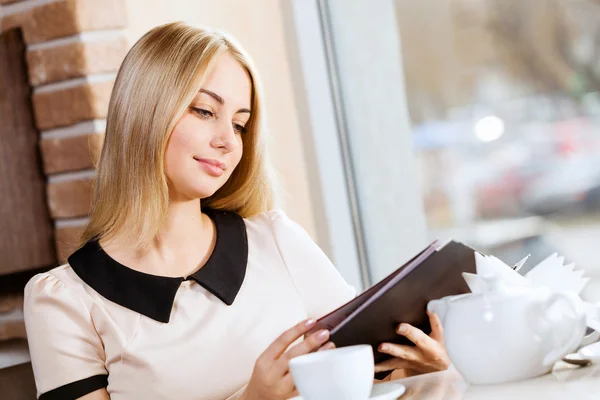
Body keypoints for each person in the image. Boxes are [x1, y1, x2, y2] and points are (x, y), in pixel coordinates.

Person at [23, 22, 449, 400]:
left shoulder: (277, 240)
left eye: (240, 124)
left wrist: (423, 372)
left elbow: (369, 374)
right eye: (205, 111)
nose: (228, 140)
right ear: (144, 114)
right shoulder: (63, 300)